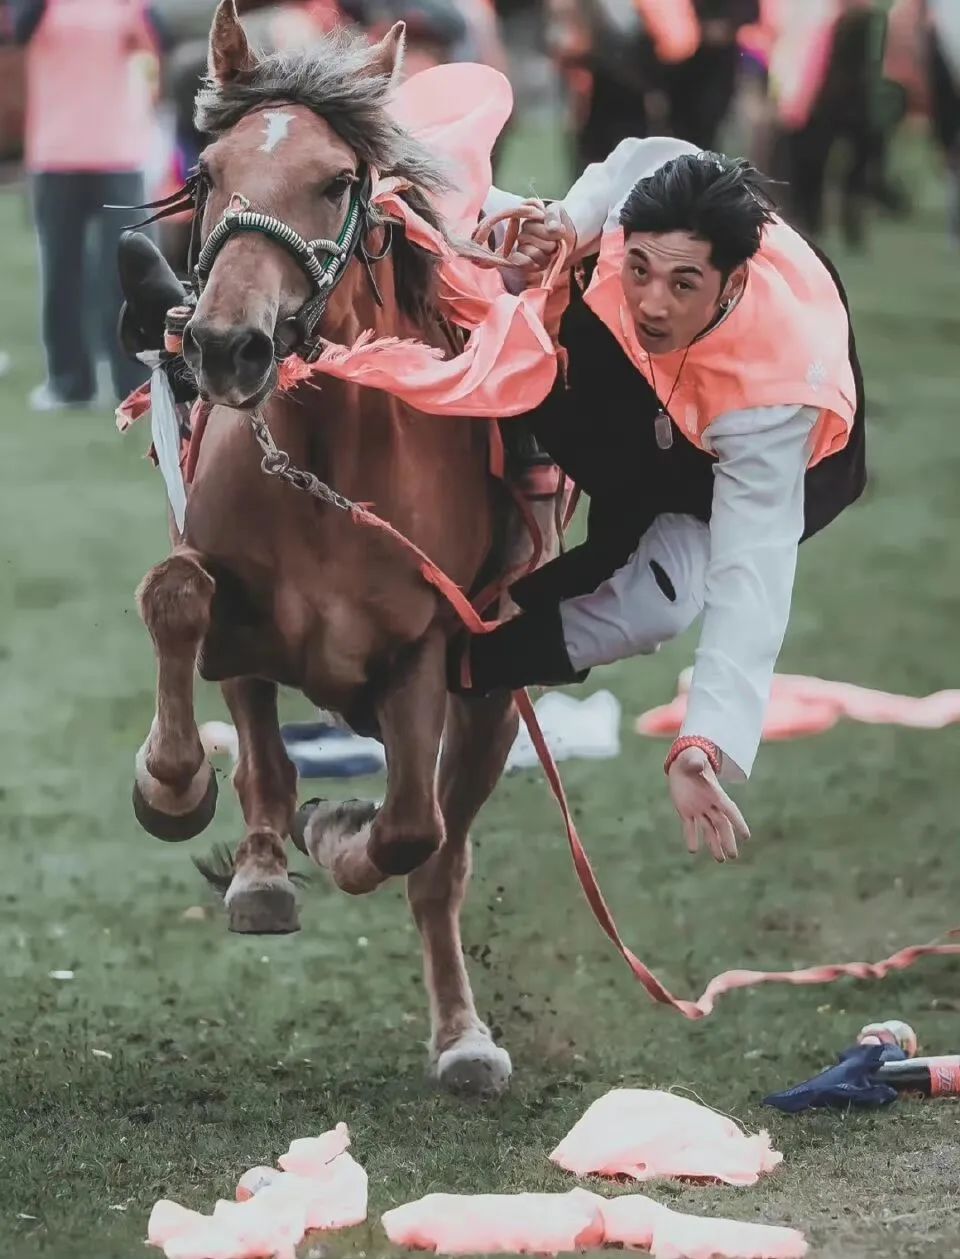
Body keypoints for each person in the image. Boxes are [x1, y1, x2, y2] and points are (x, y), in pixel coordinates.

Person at [454, 136, 865, 860]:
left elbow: (752, 576)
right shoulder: (648, 213)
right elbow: (631, 162)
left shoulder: (771, 405)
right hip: (642, 393)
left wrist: (704, 738)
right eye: (638, 268)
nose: (650, 300)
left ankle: (465, 661)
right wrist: (572, 221)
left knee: (656, 603)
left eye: (681, 283)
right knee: (518, 252)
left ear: (731, 284)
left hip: (717, 465)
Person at [11, 0, 165, 411]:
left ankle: (132, 383)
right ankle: (68, 381)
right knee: (63, 273)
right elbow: (19, 30)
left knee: (123, 273)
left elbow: (155, 40)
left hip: (119, 152)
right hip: (55, 153)